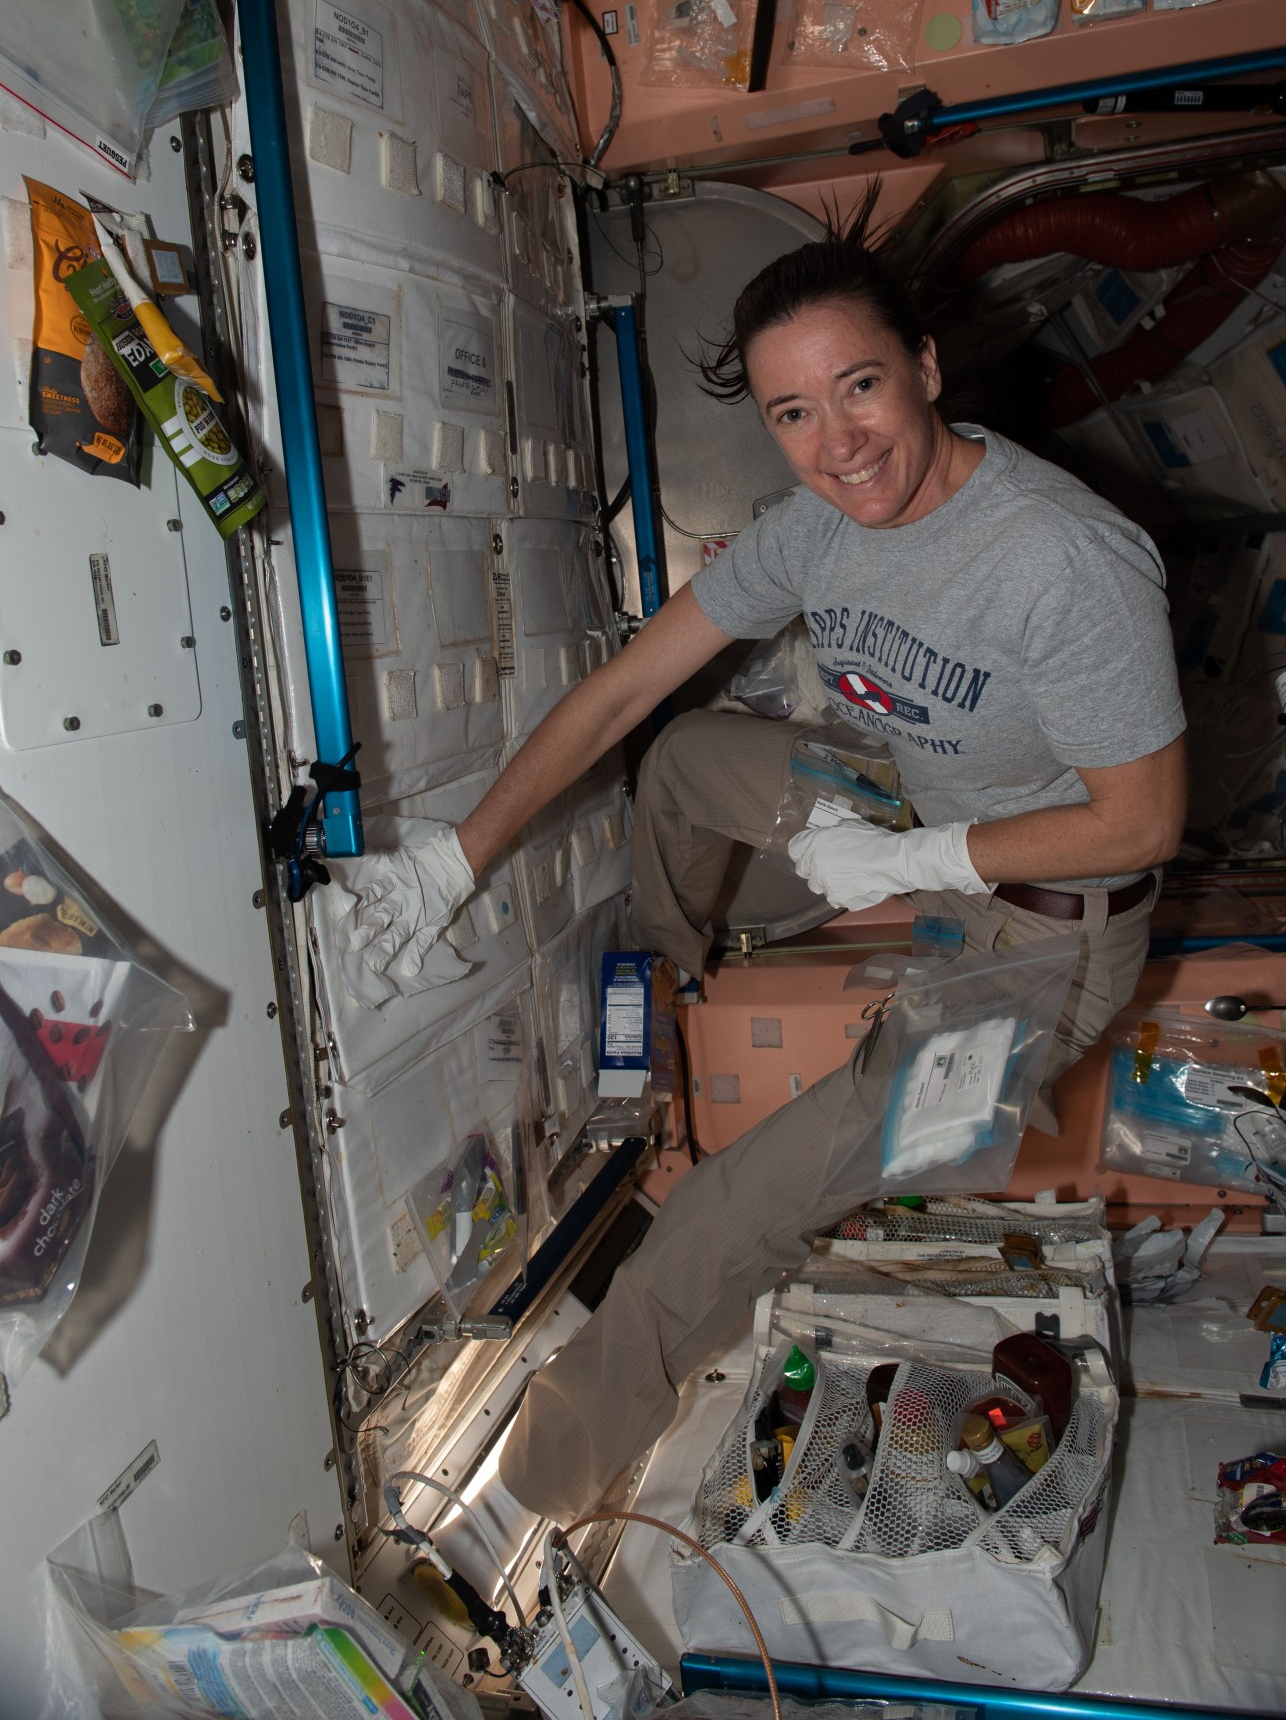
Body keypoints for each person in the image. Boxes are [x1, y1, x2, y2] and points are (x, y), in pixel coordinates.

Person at [416, 194, 1187, 1521]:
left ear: (926, 368)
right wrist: (451, 858)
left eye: (861, 388)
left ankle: (512, 1504)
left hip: (1040, 946)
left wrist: (919, 861)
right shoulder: (813, 527)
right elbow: (617, 696)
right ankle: (678, 974)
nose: (837, 444)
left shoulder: (1064, 562)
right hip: (913, 807)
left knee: (733, 1205)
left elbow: (1139, 824)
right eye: (792, 414)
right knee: (685, 763)